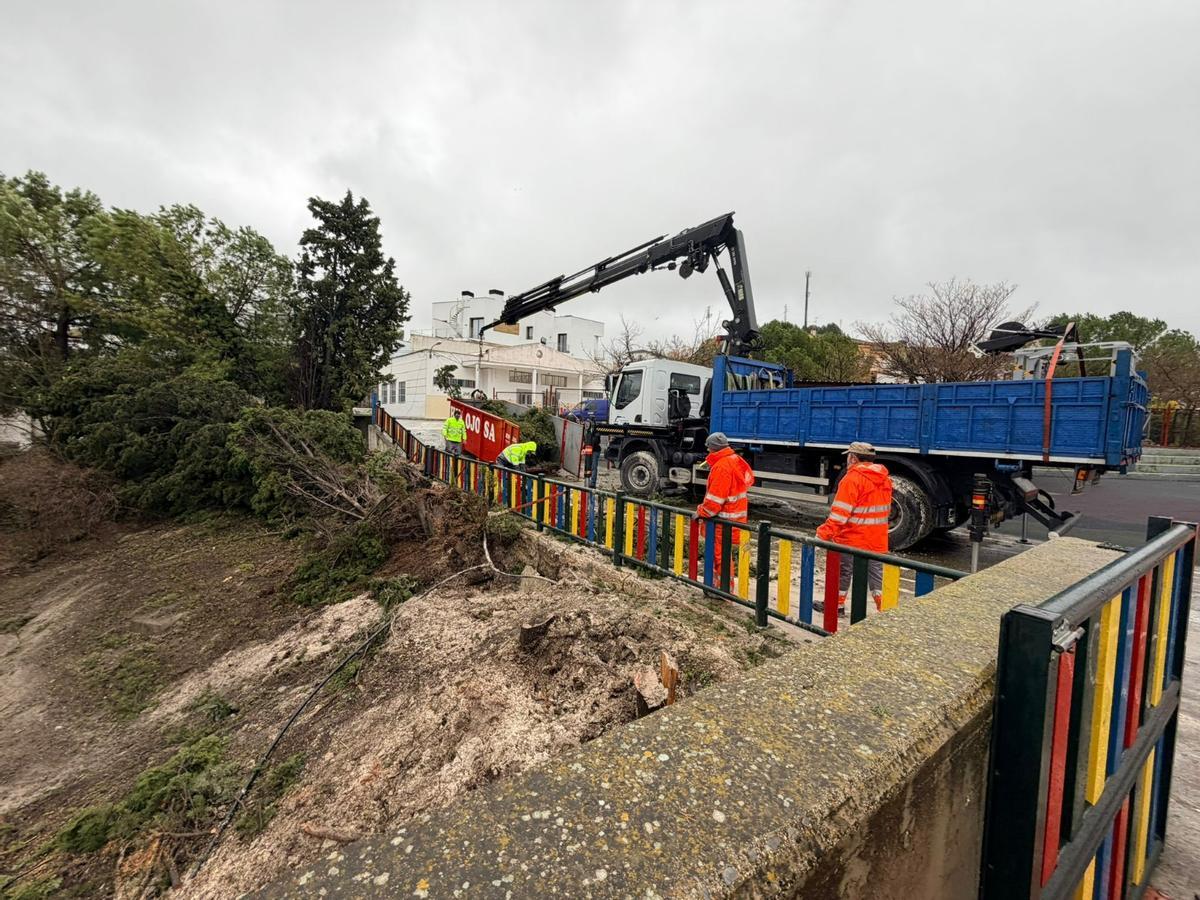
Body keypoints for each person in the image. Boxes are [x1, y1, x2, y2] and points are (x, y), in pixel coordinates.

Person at [815, 441, 893, 615]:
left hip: (852, 538)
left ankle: (835, 605)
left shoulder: (852, 479)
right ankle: (886, 612)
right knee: (876, 577)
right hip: (877, 539)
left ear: (853, 458)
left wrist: (822, 534)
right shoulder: (885, 478)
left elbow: (840, 515)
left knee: (842, 572)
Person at [694, 432, 754, 587]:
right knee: (724, 556)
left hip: (722, 521)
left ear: (713, 449)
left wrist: (701, 512)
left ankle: (723, 590)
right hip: (733, 518)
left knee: (720, 557)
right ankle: (719, 587)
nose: (707, 452)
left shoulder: (721, 467)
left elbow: (715, 500)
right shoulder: (734, 460)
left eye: (708, 449)